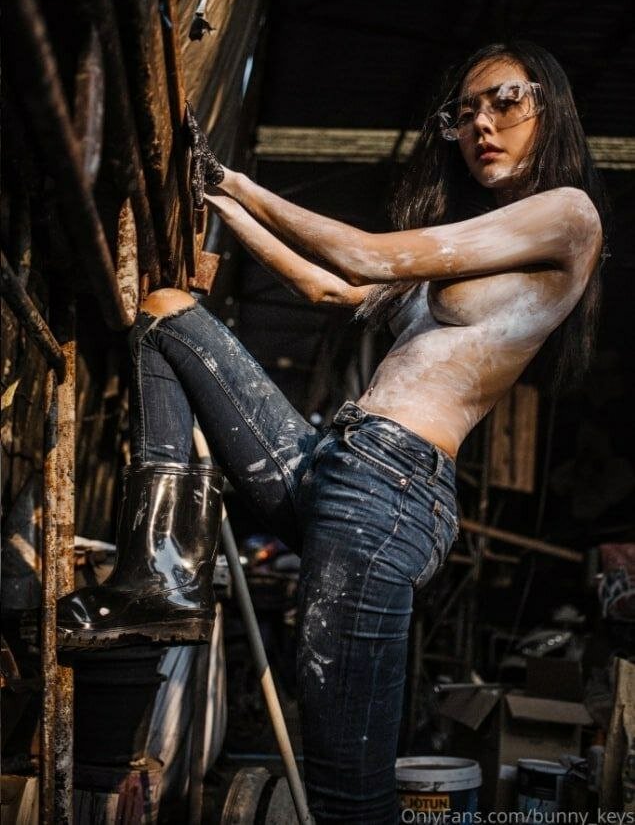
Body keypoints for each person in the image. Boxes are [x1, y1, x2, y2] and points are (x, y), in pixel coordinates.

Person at [58, 41, 607, 823]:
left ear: (549, 107)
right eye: (463, 112)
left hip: (389, 494)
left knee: (346, 795)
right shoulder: (476, 240)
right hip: (335, 465)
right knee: (167, 315)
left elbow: (366, 256)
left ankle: (164, 584)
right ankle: (160, 574)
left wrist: (236, 180)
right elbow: (330, 288)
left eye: (504, 100)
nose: (481, 124)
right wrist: (219, 202)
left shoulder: (567, 215)